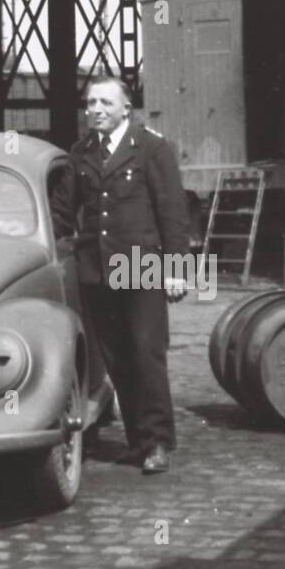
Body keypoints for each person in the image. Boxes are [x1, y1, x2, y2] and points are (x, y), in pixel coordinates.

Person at [51, 75, 189, 474]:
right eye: (91, 102)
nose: (95, 109)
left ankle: (158, 442)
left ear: (125, 108)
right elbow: (63, 210)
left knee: (146, 353)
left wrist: (177, 270)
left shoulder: (151, 149)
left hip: (141, 265)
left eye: (105, 103)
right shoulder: (80, 154)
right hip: (97, 269)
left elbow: (172, 213)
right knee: (117, 359)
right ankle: (137, 441)